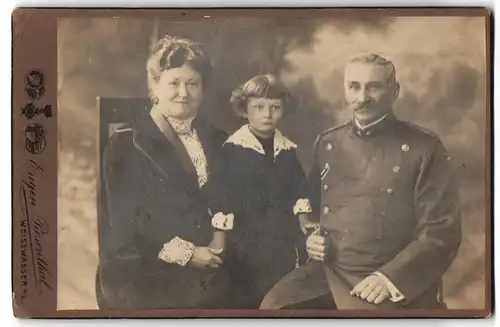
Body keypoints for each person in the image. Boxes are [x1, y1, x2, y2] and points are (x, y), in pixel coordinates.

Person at [260, 53, 462, 310]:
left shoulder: (424, 148)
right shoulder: (328, 142)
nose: (362, 97)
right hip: (330, 271)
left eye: (373, 87)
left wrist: (390, 278)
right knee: (274, 306)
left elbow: (441, 232)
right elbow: (310, 210)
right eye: (354, 86)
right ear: (345, 90)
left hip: (385, 275)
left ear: (394, 91)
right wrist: (311, 239)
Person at [95, 35, 229, 309]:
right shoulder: (126, 143)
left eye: (193, 84)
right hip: (145, 271)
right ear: (154, 86)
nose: (184, 92)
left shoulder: (215, 138)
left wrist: (218, 240)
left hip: (209, 265)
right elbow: (124, 224)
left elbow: (223, 198)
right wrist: (189, 254)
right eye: (174, 83)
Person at [208, 74, 314, 308]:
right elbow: (221, 196)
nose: (267, 114)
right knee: (245, 293)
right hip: (245, 237)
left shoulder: (287, 150)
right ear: (245, 110)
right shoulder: (233, 150)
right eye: (259, 107)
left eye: (275, 107)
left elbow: (299, 188)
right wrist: (219, 236)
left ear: (284, 110)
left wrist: (304, 219)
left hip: (281, 235)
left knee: (279, 292)